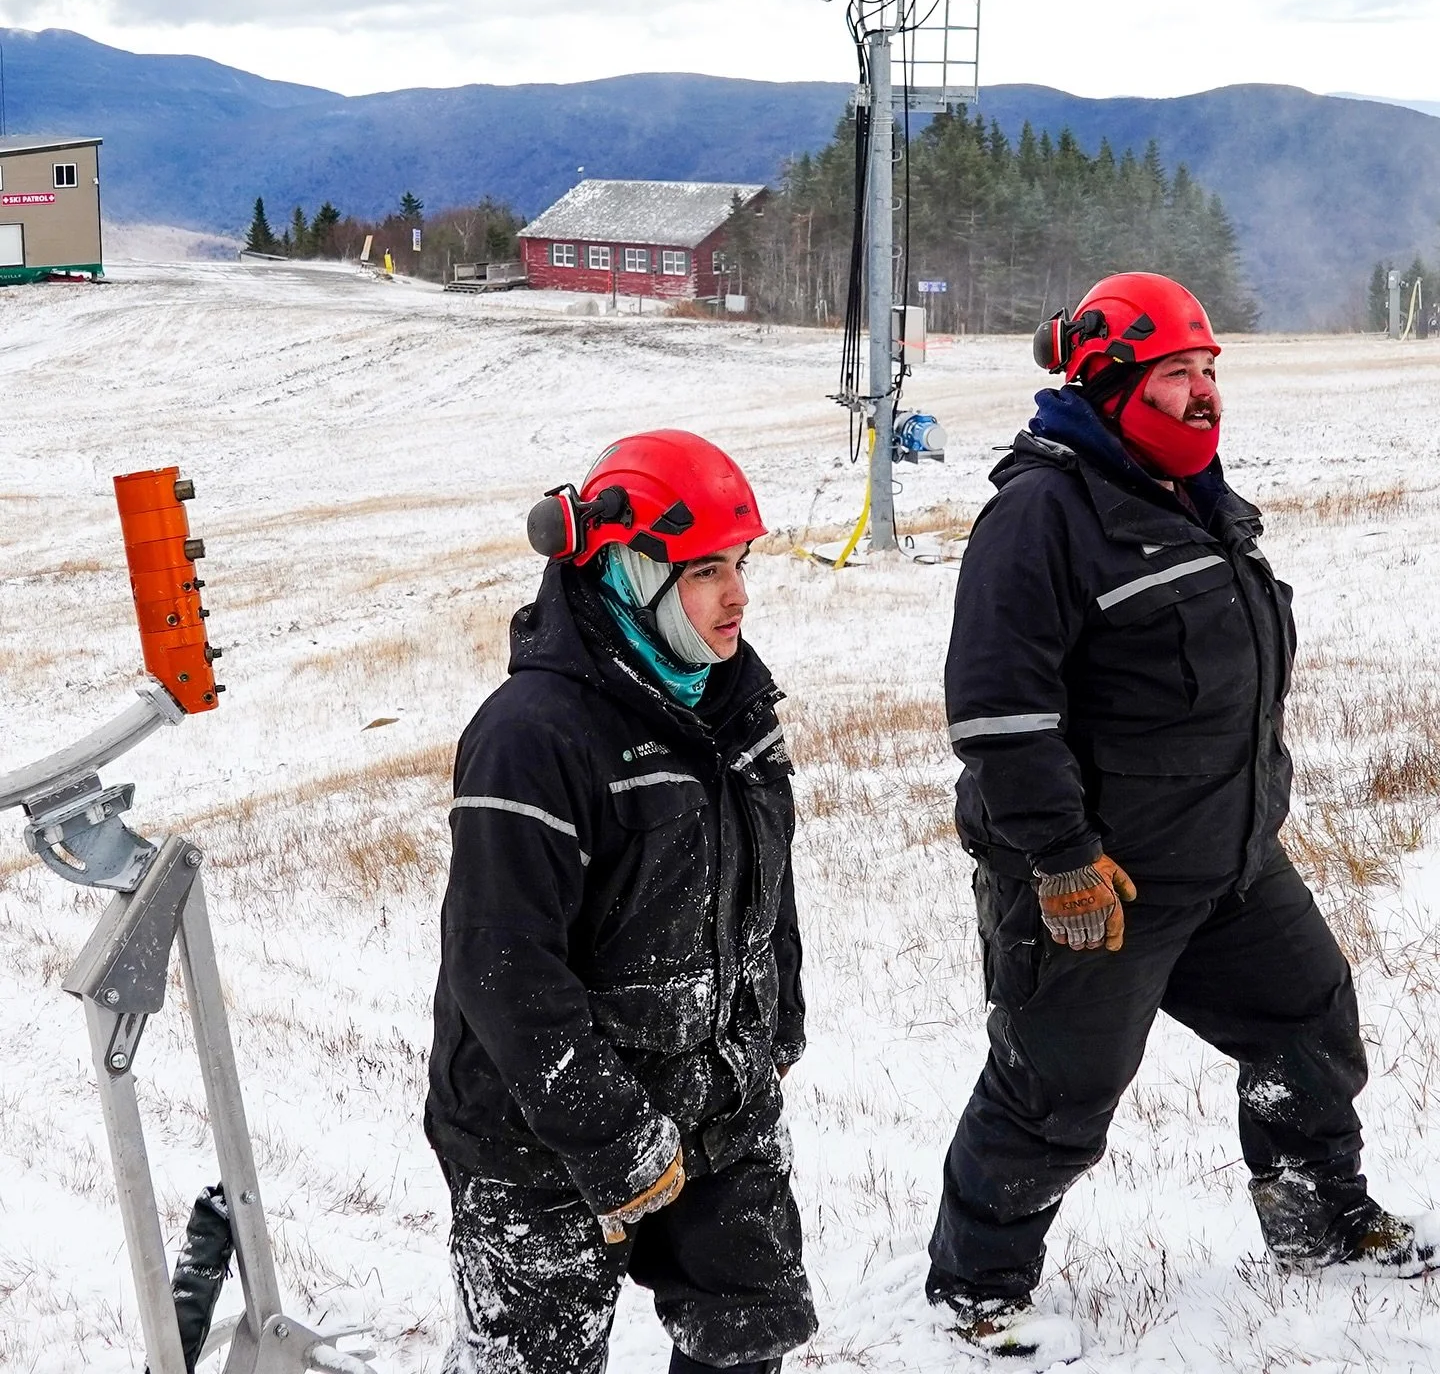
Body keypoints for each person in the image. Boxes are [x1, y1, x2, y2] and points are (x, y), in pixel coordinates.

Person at [926, 271, 1436, 1354]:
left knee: (1308, 1022)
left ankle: (1319, 1219)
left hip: (1230, 858)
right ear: (1111, 386)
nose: (1204, 394)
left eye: (1209, 370)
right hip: (1101, 876)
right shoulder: (1042, 515)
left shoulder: (1185, 493)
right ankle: (977, 1283)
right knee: (1058, 1090)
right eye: (1177, 374)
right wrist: (1060, 860)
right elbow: (1000, 719)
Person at [426, 429, 815, 1374]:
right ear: (627, 573)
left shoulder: (733, 710)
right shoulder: (533, 737)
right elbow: (501, 964)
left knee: (749, 1333)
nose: (739, 596)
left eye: (743, 565)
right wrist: (615, 1135)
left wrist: (773, 1036)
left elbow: (767, 901)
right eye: (706, 571)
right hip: (541, 1130)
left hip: (715, 1096)